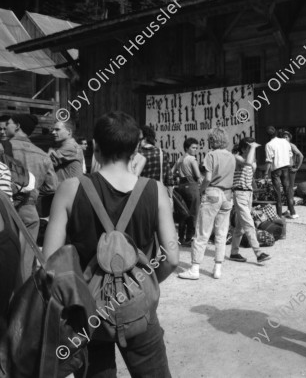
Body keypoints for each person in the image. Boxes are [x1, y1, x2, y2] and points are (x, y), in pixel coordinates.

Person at [42, 110, 178, 378]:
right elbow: (172, 258)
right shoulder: (155, 190)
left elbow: (51, 265)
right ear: (137, 148)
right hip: (140, 311)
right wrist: (141, 284)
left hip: (88, 314)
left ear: (94, 146)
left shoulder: (69, 189)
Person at [178, 128, 235, 280]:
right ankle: (217, 268)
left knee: (202, 233)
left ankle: (195, 268)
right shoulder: (232, 156)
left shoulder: (211, 155)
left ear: (212, 140)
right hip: (228, 195)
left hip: (213, 193)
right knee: (221, 234)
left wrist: (202, 190)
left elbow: (208, 178)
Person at [6, 114, 58, 240]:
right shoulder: (43, 155)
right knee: (27, 257)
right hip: (29, 212)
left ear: (17, 126)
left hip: (5, 208)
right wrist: (33, 190)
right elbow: (52, 186)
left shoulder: (3, 148)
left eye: (8, 123)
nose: (5, 126)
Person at [229, 137, 271, 264]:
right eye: (249, 147)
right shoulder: (236, 157)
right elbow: (247, 163)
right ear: (243, 148)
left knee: (240, 228)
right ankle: (258, 253)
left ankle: (234, 253)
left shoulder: (251, 158)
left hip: (248, 194)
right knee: (249, 224)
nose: (252, 149)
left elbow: (251, 170)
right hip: (240, 192)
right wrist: (252, 147)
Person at [172, 137, 203, 245]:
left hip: (181, 187)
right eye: (193, 148)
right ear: (187, 148)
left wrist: (178, 175)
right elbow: (198, 175)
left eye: (196, 148)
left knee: (182, 213)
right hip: (191, 186)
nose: (195, 150)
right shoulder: (192, 159)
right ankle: (189, 238)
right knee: (193, 213)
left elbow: (171, 172)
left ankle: (180, 238)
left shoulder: (179, 159)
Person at [265, 126, 297, 219]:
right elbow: (290, 155)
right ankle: (293, 212)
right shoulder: (285, 141)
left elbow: (269, 160)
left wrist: (266, 173)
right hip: (286, 168)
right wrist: (290, 165)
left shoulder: (269, 144)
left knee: (277, 192)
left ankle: (279, 215)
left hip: (276, 169)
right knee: (287, 191)